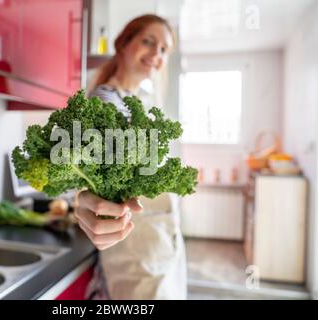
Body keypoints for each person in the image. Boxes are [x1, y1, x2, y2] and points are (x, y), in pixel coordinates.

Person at [75, 14, 187, 300]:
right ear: (124, 44)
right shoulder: (106, 100)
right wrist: (86, 200)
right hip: (137, 255)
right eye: (148, 41)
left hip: (159, 244)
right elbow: (98, 172)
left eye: (163, 49)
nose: (156, 54)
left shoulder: (137, 99)